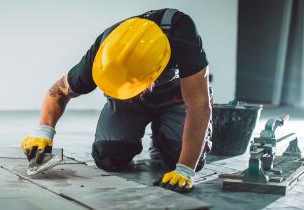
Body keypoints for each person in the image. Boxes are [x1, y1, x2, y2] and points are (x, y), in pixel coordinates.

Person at [21, 8, 212, 193]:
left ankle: (162, 135)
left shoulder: (180, 32)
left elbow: (198, 104)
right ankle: (152, 129)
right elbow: (58, 92)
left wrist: (185, 168)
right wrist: (44, 131)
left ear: (155, 74)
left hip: (176, 98)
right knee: (108, 157)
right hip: (128, 104)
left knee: (185, 159)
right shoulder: (104, 50)